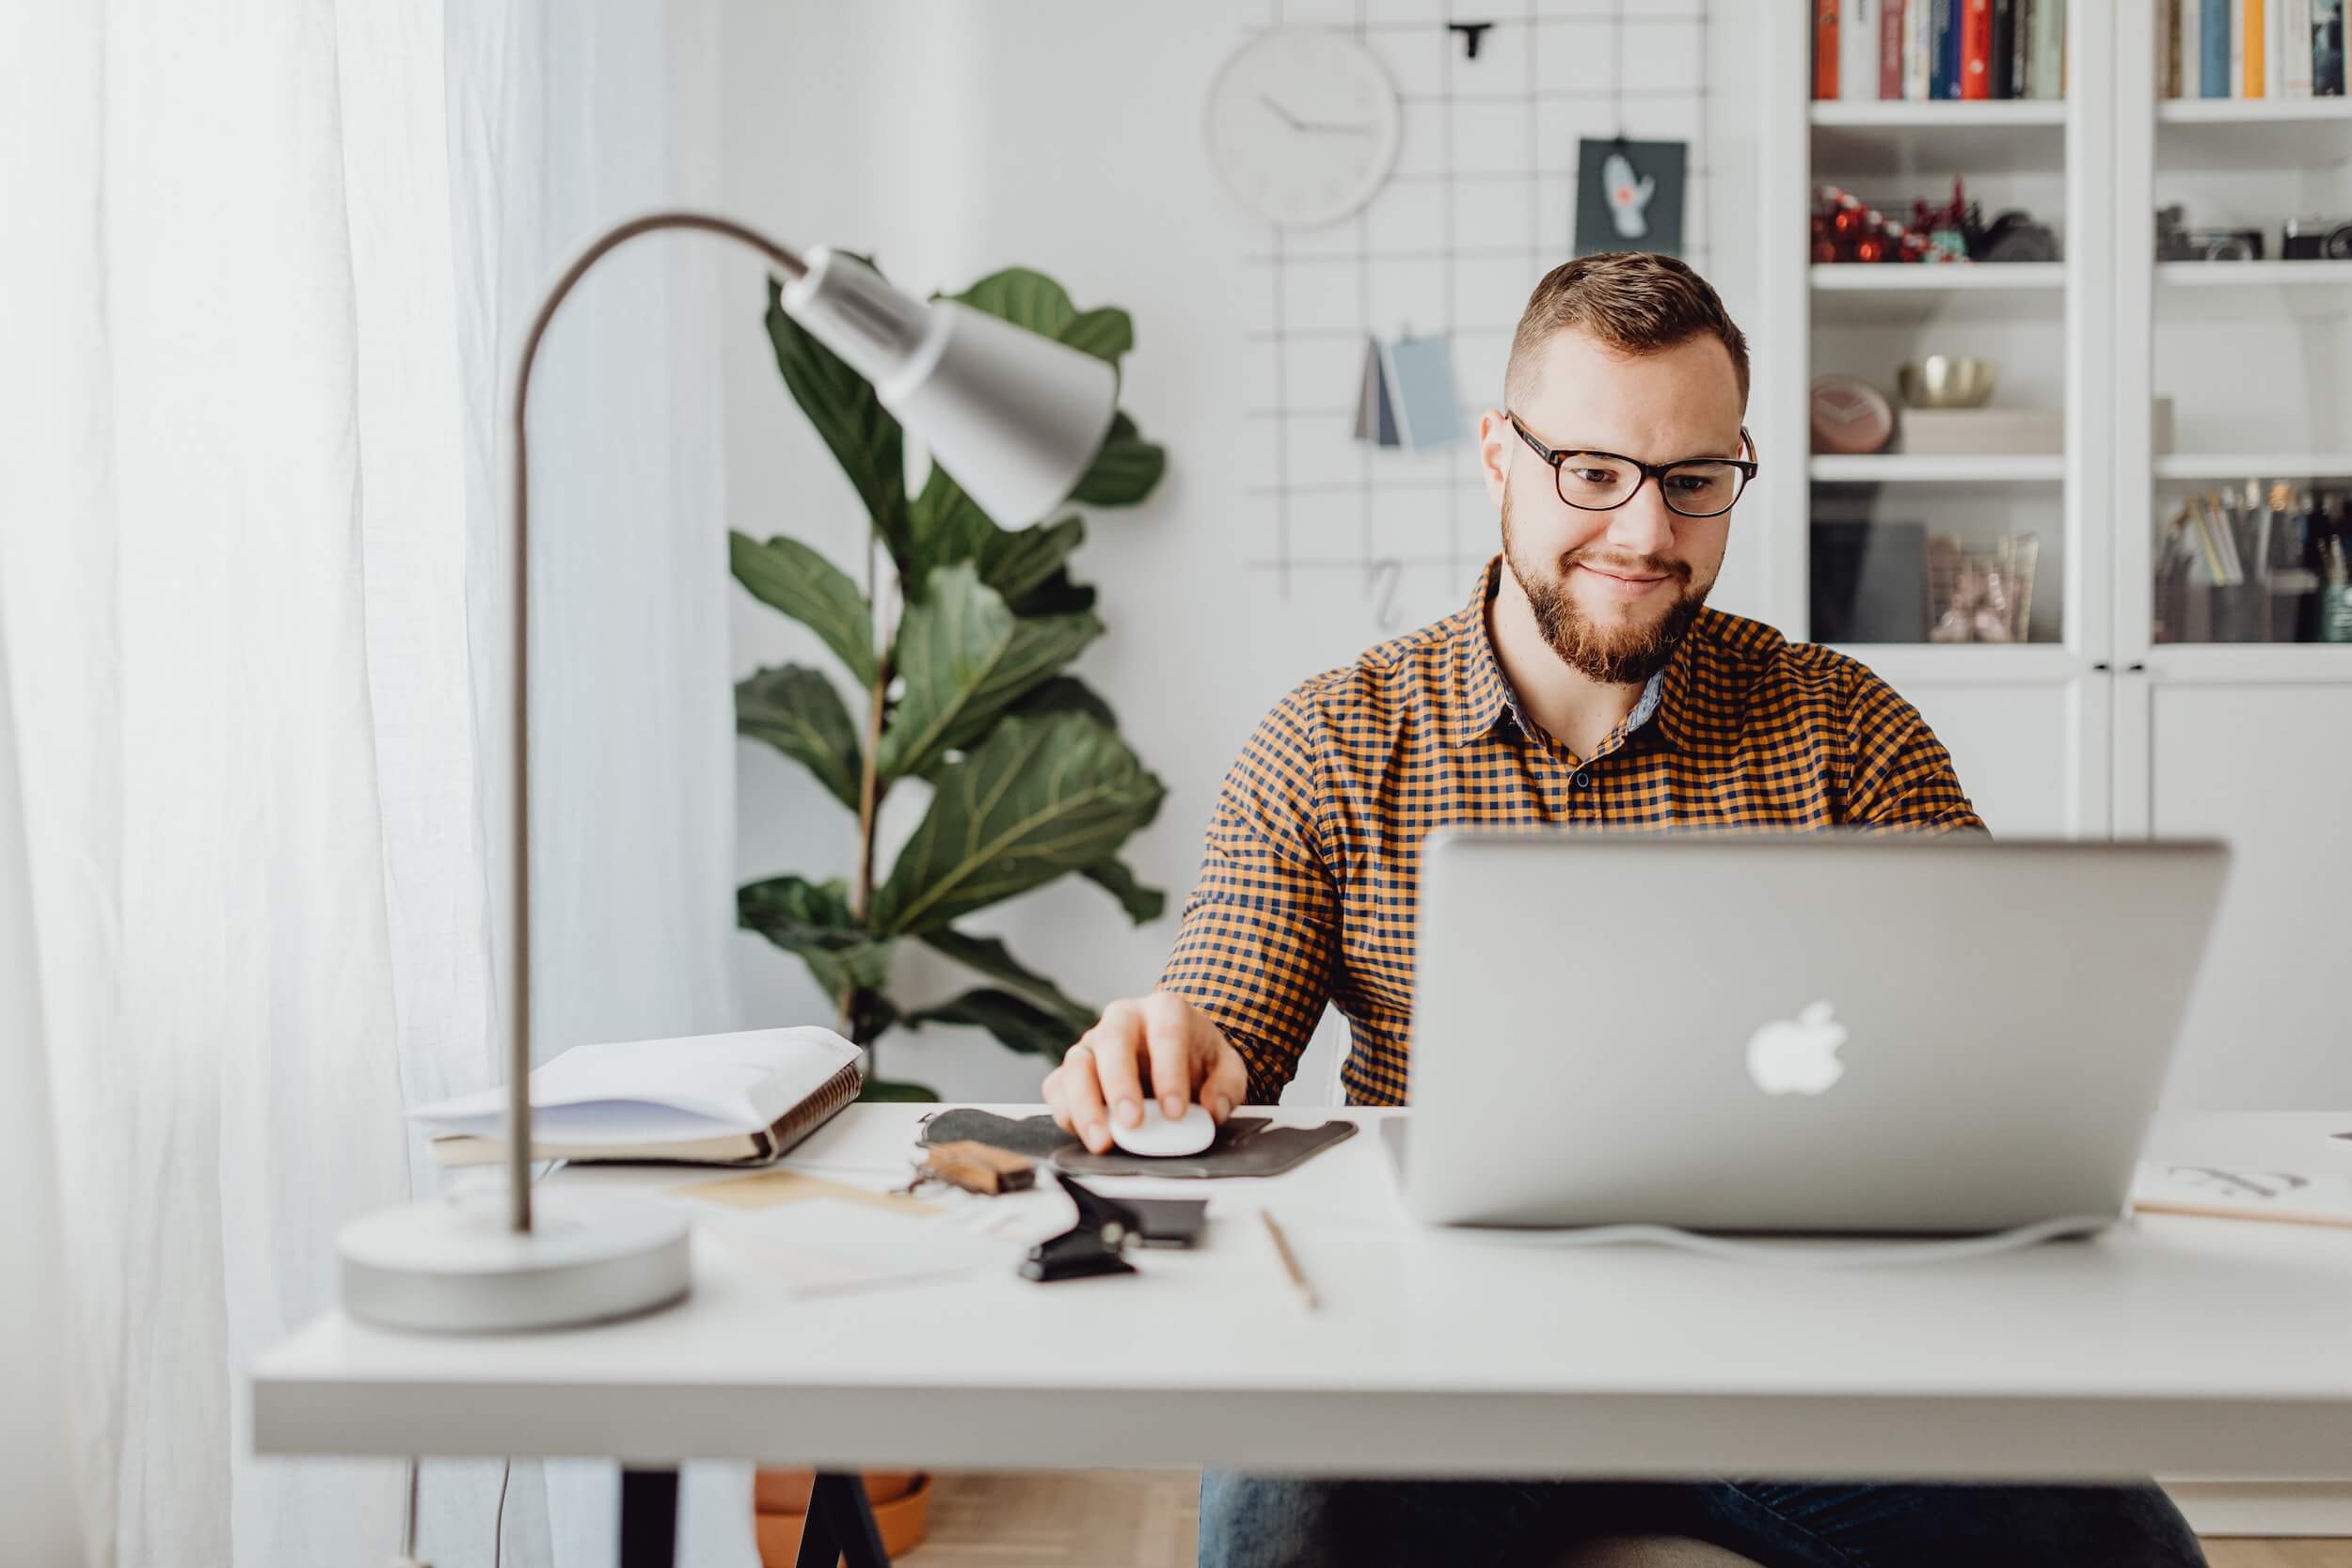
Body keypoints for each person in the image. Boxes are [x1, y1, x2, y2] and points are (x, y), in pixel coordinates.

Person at [1040, 253, 2206, 1568]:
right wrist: (1169, 1051)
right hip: (1435, 1351)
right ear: (1499, 454)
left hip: (1807, 1347)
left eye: (1694, 481)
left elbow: (2000, 1049)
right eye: (1592, 472)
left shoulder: (1847, 731)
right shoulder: (1333, 739)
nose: (1647, 534)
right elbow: (1221, 1020)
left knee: (2127, 1554)